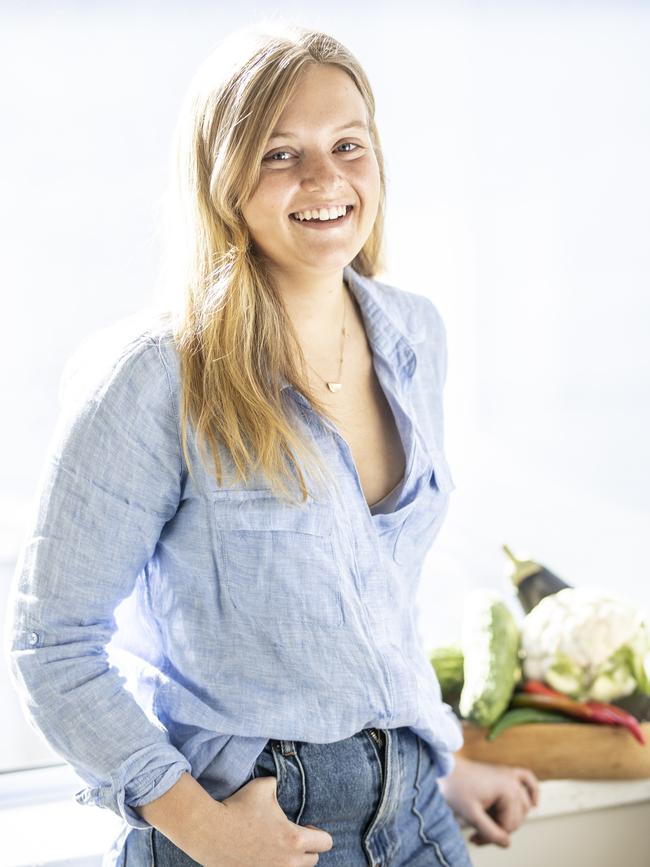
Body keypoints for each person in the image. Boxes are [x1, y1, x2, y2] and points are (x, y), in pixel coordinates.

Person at [5, 21, 539, 867]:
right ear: (223, 182)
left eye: (348, 144)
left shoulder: (415, 334)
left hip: (414, 816)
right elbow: (54, 643)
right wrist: (205, 829)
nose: (326, 178)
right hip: (247, 822)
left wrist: (440, 759)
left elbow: (373, 603)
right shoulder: (153, 377)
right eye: (280, 153)